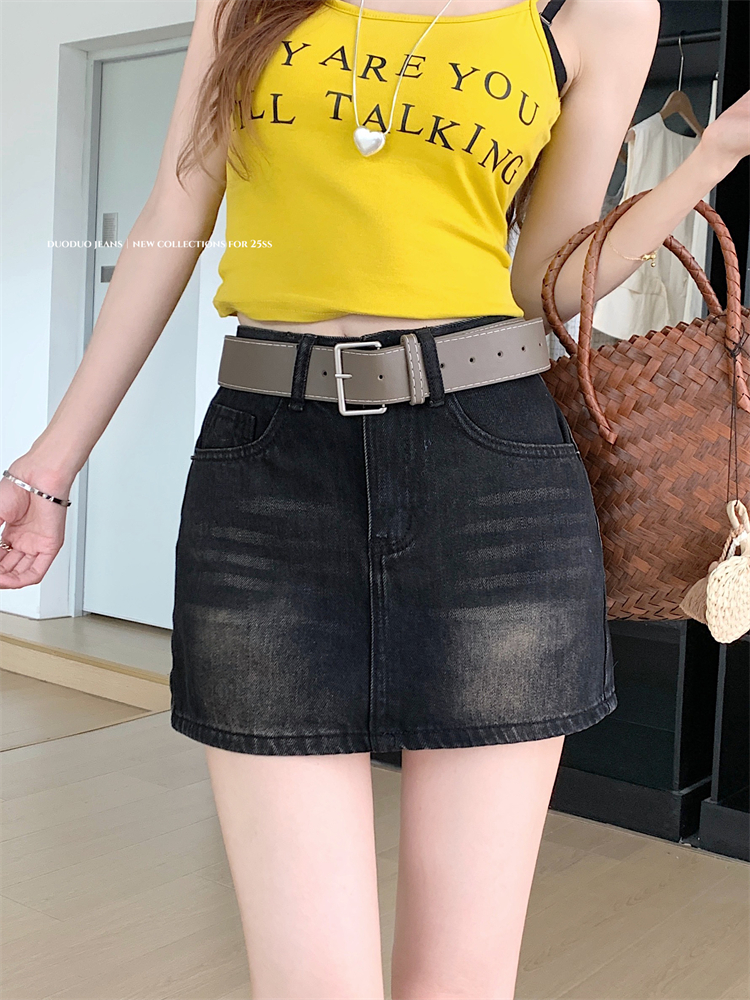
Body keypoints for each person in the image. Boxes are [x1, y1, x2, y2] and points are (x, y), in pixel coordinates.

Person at [1, 0, 747, 996]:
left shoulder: (595, 12)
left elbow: (546, 276)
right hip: (269, 465)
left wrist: (709, 159)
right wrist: (49, 466)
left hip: (491, 470)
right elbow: (174, 214)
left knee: (459, 982)